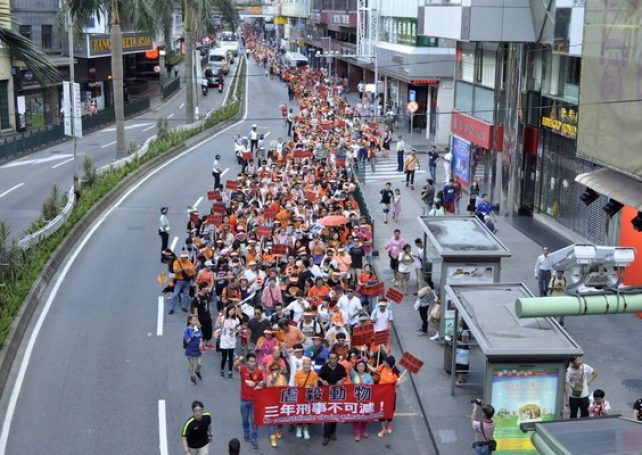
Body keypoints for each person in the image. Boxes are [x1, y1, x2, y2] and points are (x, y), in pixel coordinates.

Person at [235, 353, 264, 449]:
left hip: (255, 401)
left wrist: (257, 386)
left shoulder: (259, 372)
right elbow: (234, 367)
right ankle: (246, 432)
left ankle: (254, 438)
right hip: (244, 400)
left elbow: (261, 384)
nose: (252, 363)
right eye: (250, 361)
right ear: (247, 362)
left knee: (254, 420)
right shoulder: (242, 369)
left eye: (254, 361)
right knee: (245, 419)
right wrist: (239, 360)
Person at [318, 352, 347, 445]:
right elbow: (318, 377)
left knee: (335, 414)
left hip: (336, 394)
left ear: (337, 359)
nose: (333, 360)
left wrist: (341, 380)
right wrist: (323, 381)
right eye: (331, 358)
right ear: (328, 359)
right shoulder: (325, 367)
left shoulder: (340, 367)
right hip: (326, 394)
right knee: (327, 415)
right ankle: (326, 436)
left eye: (334, 358)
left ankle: (332, 432)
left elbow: (345, 377)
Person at [375, 355, 400, 437]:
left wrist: (397, 384)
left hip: (390, 395)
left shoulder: (394, 372)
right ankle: (383, 428)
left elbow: (396, 385)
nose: (383, 362)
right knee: (381, 410)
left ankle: (388, 424)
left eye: (385, 361)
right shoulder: (382, 367)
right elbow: (375, 370)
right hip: (381, 394)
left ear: (389, 364)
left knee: (390, 411)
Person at [294, 357, 318, 439]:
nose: (307, 366)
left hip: (309, 397)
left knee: (308, 414)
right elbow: (295, 387)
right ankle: (299, 429)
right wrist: (302, 389)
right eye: (305, 364)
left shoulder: (314, 374)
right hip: (300, 397)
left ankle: (306, 430)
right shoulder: (298, 374)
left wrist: (310, 388)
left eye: (308, 365)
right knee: (300, 413)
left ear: (311, 365)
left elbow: (316, 387)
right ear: (302, 365)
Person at [265, 360, 288, 447]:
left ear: (279, 370)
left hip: (280, 402)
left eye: (276, 369)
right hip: (271, 402)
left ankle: (279, 429)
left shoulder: (283, 377)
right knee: (271, 421)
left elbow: (286, 389)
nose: (275, 370)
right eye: (273, 369)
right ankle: (273, 438)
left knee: (280, 419)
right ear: (271, 370)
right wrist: (273, 380)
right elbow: (267, 389)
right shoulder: (268, 377)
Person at [351, 359, 373, 441]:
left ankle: (363, 429)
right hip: (357, 399)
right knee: (357, 416)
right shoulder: (354, 375)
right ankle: (357, 432)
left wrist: (367, 385)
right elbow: (352, 387)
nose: (361, 367)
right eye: (359, 366)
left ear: (365, 367)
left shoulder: (368, 376)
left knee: (365, 416)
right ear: (356, 367)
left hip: (366, 399)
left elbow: (372, 386)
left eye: (363, 366)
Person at [219, 305, 241, 378]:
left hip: (232, 341)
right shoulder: (223, 318)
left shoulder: (236, 320)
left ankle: (230, 371)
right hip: (224, 340)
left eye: (233, 310)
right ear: (227, 311)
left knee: (231, 357)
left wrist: (237, 330)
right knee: (224, 357)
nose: (231, 312)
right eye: (230, 310)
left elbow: (238, 328)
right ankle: (222, 370)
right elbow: (218, 327)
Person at [171, 249, 196, 314]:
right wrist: (183, 269)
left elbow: (193, 270)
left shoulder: (188, 262)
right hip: (179, 281)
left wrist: (187, 268)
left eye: (185, 257)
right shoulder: (176, 262)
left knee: (186, 294)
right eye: (183, 257)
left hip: (187, 280)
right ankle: (172, 308)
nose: (184, 258)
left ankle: (184, 306)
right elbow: (175, 270)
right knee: (175, 294)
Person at [183, 314, 204, 384]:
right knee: (191, 364)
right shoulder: (186, 330)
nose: (196, 321)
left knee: (200, 363)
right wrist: (192, 335)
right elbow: (187, 341)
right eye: (194, 320)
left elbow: (200, 336)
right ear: (190, 321)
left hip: (197, 348)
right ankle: (192, 376)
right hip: (190, 349)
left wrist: (201, 342)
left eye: (196, 320)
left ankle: (197, 371)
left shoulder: (196, 327)